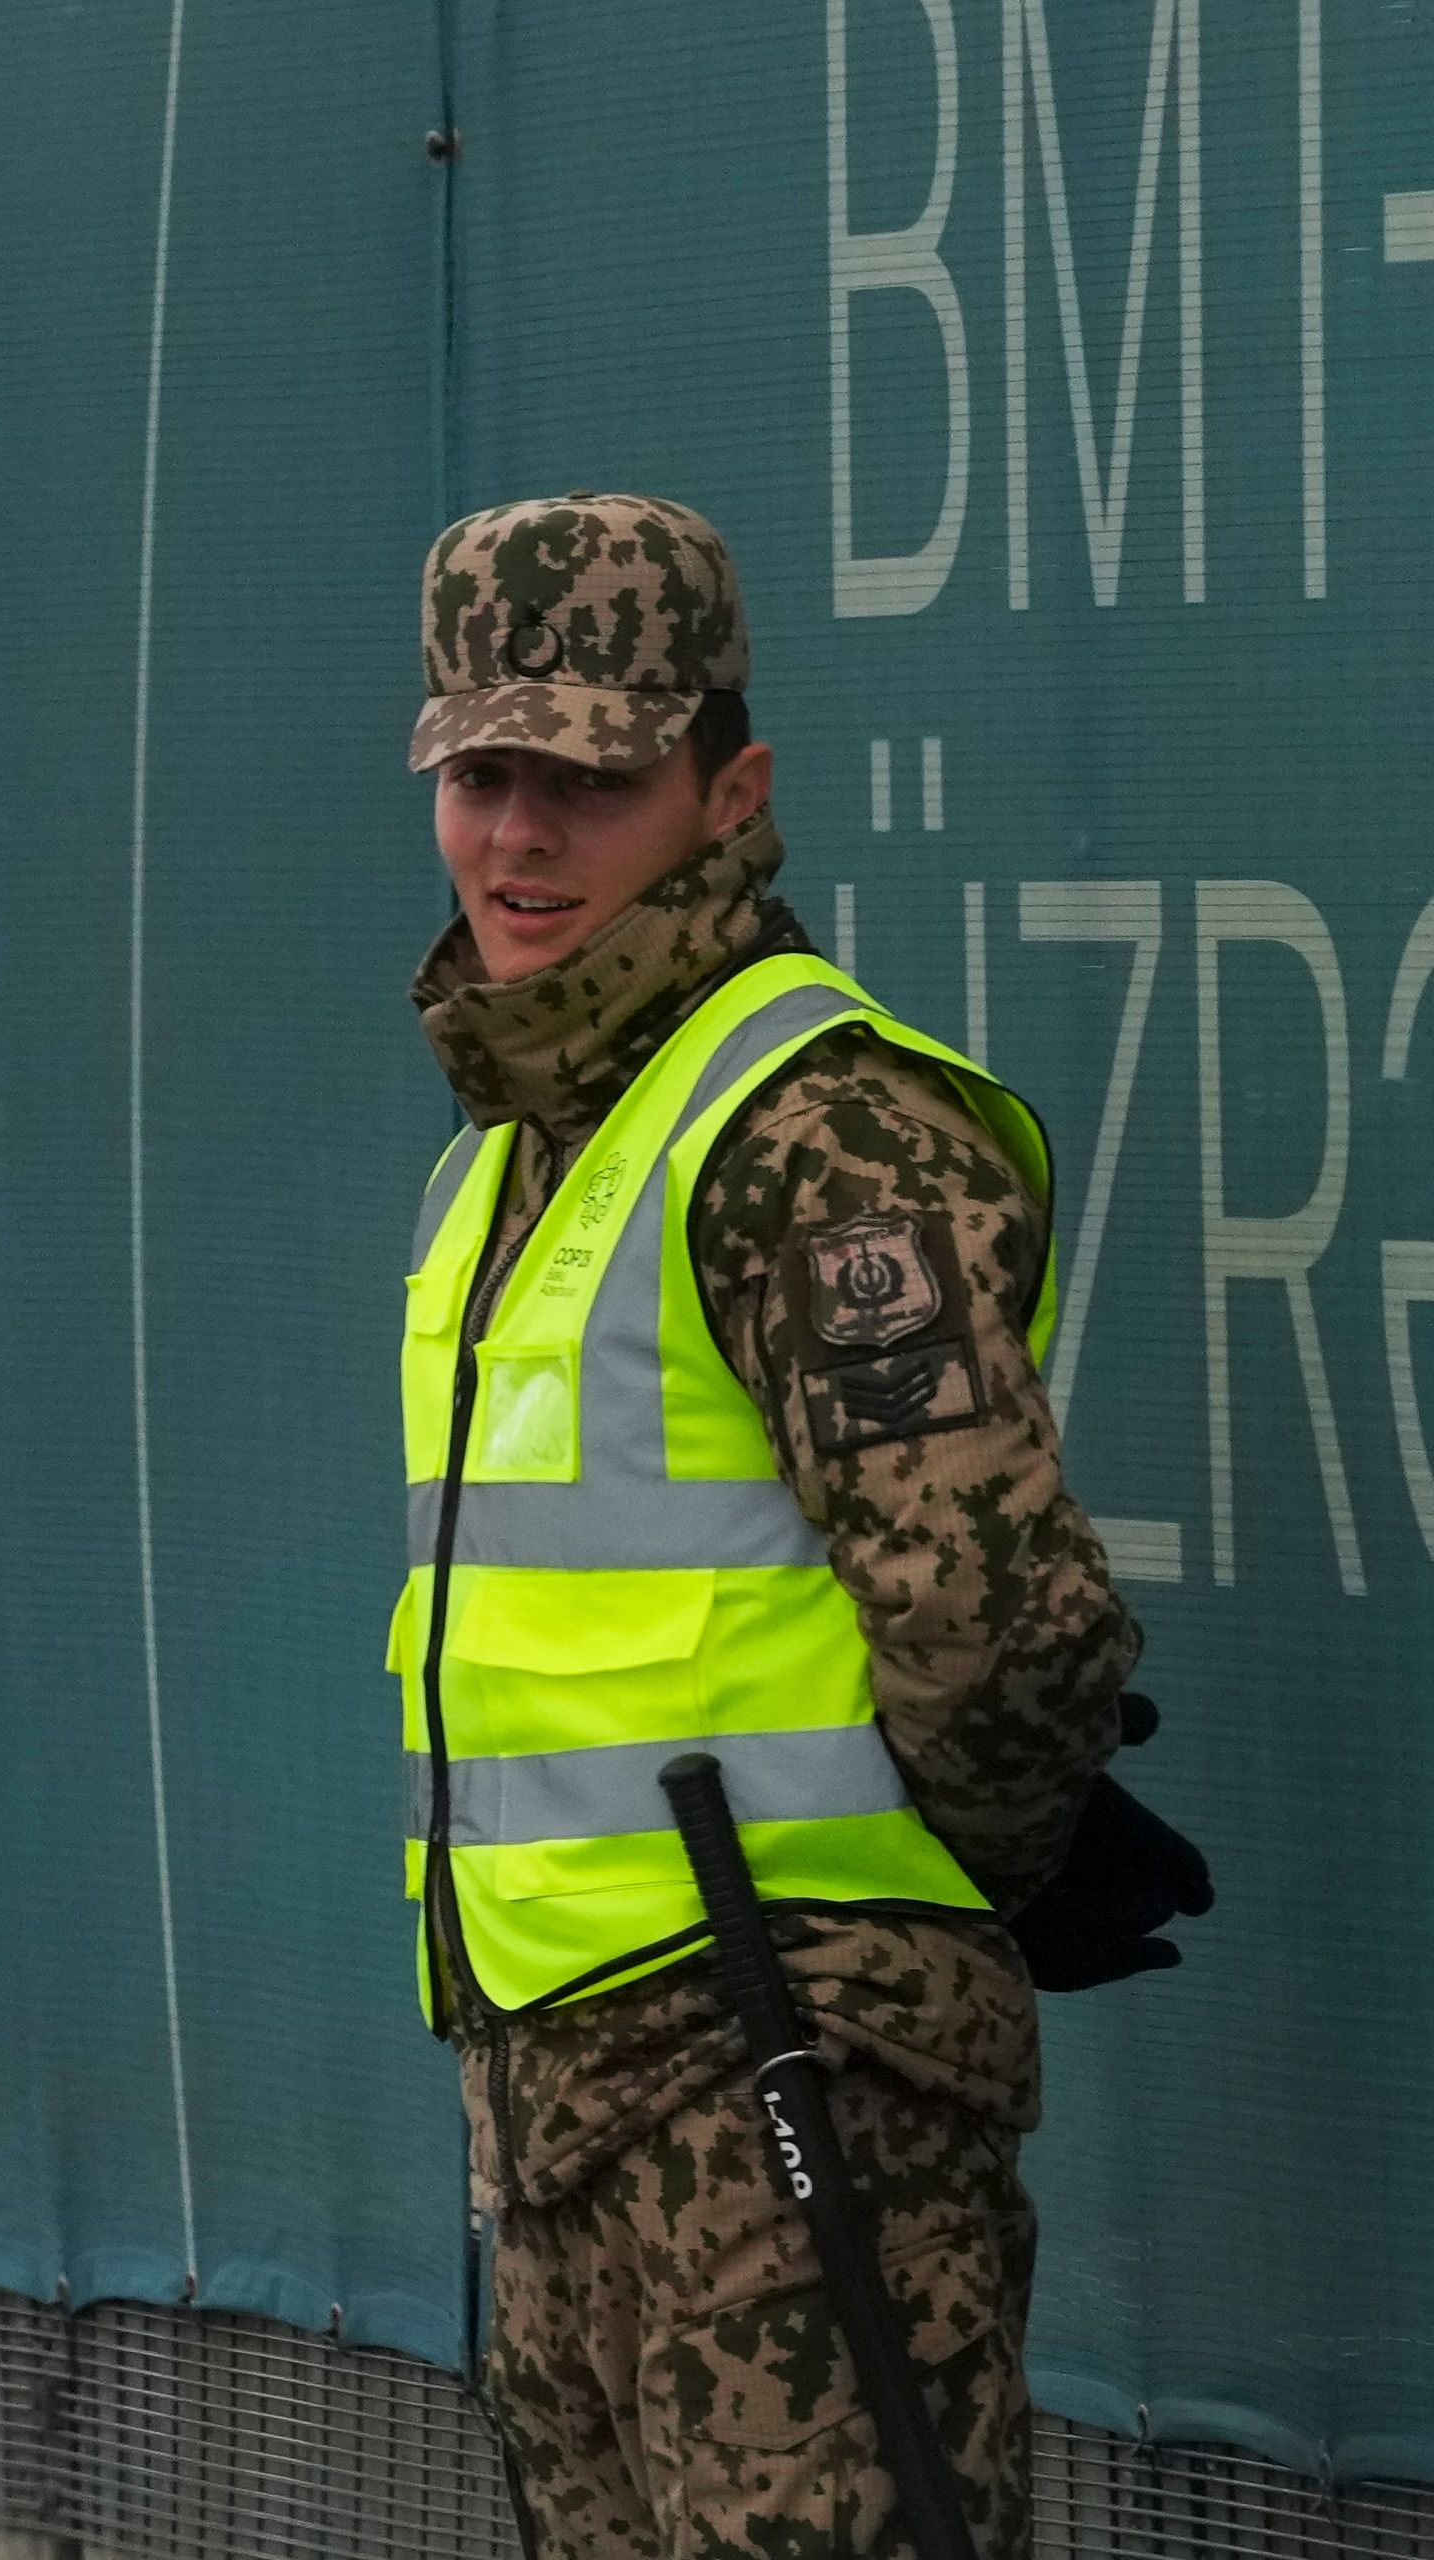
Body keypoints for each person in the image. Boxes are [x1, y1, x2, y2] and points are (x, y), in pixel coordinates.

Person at [393, 492, 1214, 2557]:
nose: (521, 837)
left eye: (587, 777)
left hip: (782, 2077)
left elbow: (1007, 1628)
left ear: (726, 785)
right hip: (558, 2110)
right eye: (482, 773)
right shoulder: (508, 1165)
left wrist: (955, 1887)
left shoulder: (811, 1130)